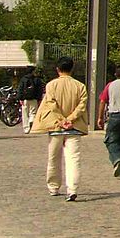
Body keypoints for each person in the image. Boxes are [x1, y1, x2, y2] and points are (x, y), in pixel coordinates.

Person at [29, 57, 88, 201]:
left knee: (54, 159)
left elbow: (51, 105)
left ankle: (53, 187)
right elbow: (82, 106)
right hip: (74, 127)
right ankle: (72, 189)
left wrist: (61, 120)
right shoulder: (80, 86)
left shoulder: (51, 85)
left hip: (56, 127)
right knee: (73, 159)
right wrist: (70, 119)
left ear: (57, 69)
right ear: (72, 69)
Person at [18, 65, 44, 134]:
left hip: (25, 99)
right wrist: (39, 99)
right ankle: (31, 120)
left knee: (25, 114)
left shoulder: (23, 79)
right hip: (34, 99)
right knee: (33, 112)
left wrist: (20, 98)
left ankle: (26, 128)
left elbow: (20, 89)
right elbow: (39, 90)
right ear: (33, 71)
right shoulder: (36, 79)